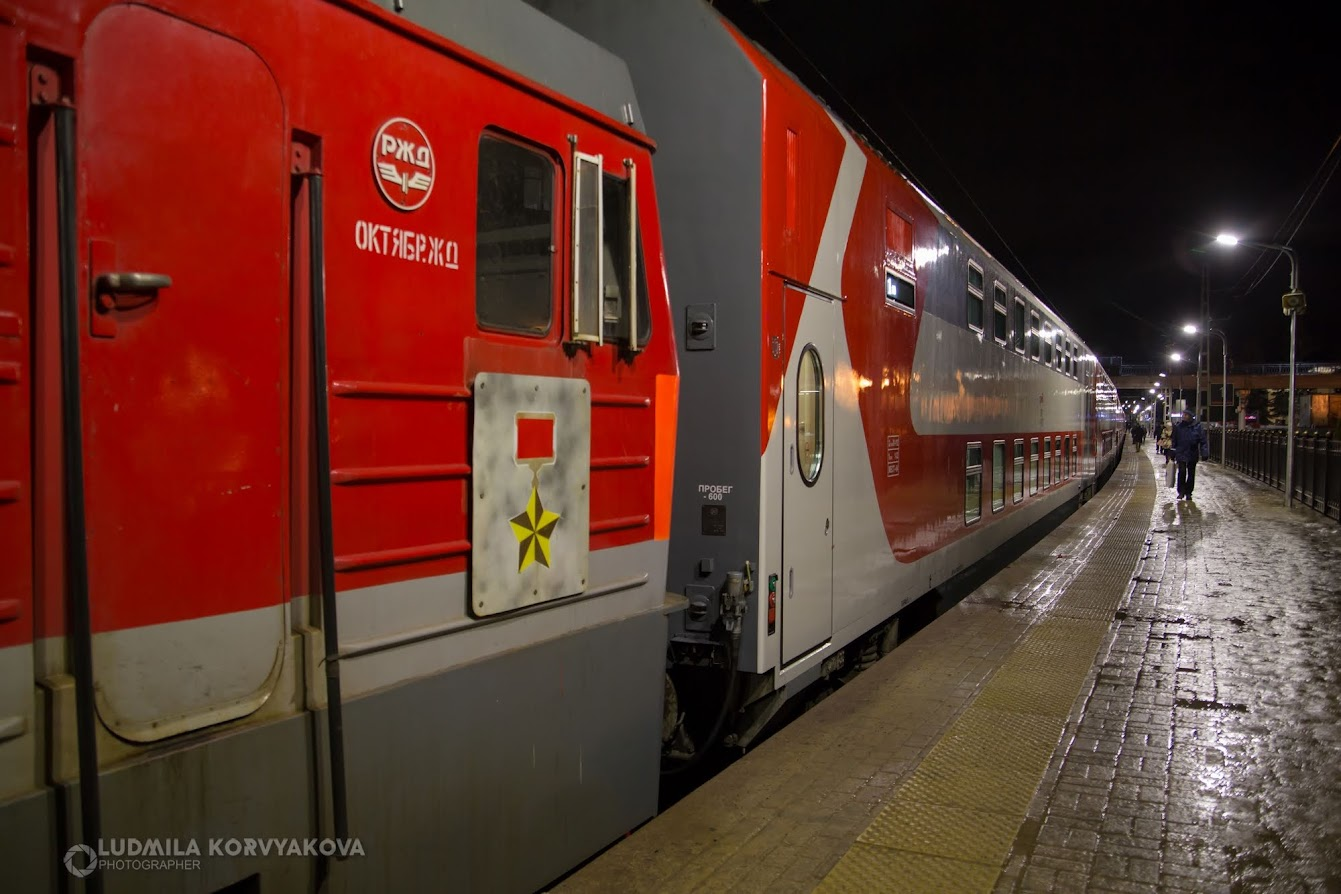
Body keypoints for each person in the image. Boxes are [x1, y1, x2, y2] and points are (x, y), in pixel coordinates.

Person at [1170, 409, 1210, 500]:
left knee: (1191, 473)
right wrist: (1172, 452)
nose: (1184, 416)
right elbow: (1174, 441)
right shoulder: (1178, 427)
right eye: (1183, 414)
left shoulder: (1197, 427)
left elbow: (1203, 440)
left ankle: (1189, 492)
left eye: (1186, 415)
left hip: (1192, 453)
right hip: (1181, 452)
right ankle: (1181, 491)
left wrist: (1204, 452)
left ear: (1191, 416)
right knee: (1182, 471)